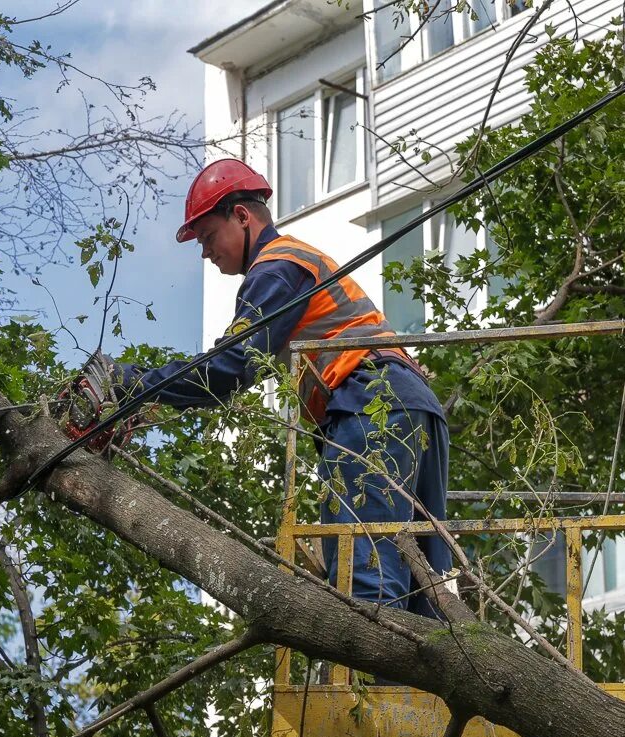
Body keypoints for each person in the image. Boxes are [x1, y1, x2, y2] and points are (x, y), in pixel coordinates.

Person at [81, 159, 451, 618]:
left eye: (208, 237)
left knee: (366, 579)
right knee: (425, 589)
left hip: (371, 405)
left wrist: (130, 384)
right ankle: (420, 690)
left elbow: (231, 366)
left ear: (241, 216)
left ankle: (367, 691)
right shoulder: (296, 262)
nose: (205, 253)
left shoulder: (277, 267)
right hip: (411, 408)